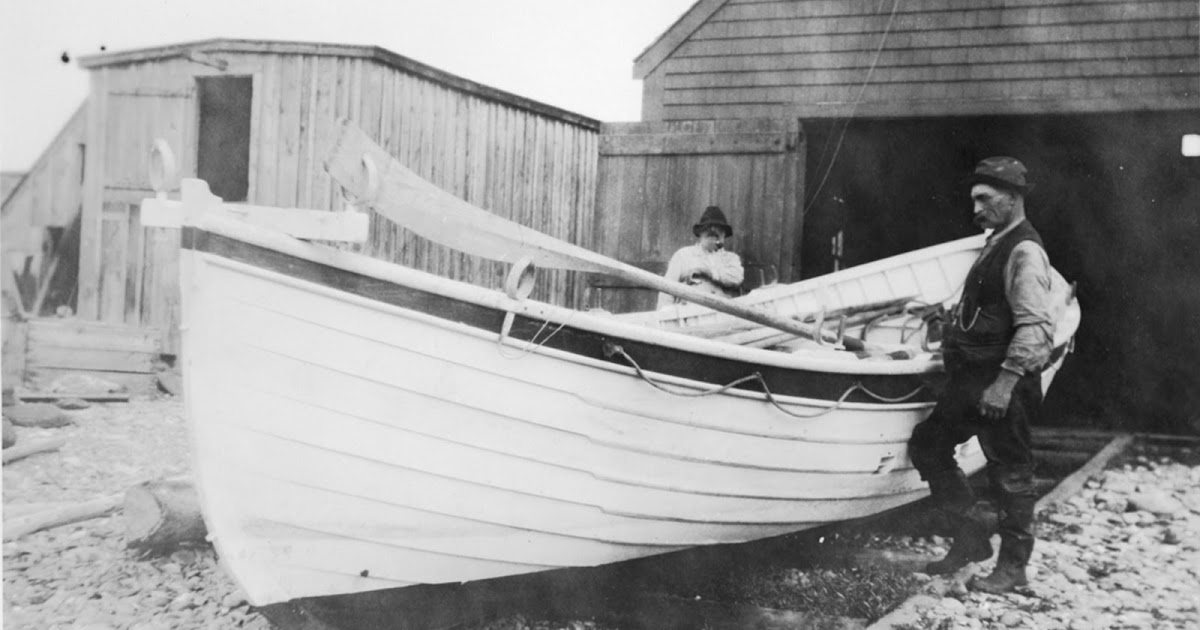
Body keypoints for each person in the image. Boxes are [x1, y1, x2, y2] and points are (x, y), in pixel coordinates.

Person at [908, 157, 1058, 594]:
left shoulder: (1025, 250)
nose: (975, 209)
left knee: (1010, 473)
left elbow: (1036, 326)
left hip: (1001, 384)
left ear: (1012, 198)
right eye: (973, 199)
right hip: (971, 381)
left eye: (984, 199)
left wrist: (1006, 382)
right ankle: (970, 537)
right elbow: (985, 313)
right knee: (929, 444)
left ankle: (1013, 569)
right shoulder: (996, 243)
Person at [658, 205, 745, 308]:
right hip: (691, 317)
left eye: (718, 228)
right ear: (700, 233)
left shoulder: (731, 259)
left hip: (723, 316)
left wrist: (707, 272)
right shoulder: (683, 255)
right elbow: (666, 291)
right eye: (708, 227)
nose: (713, 230)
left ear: (724, 235)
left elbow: (736, 278)